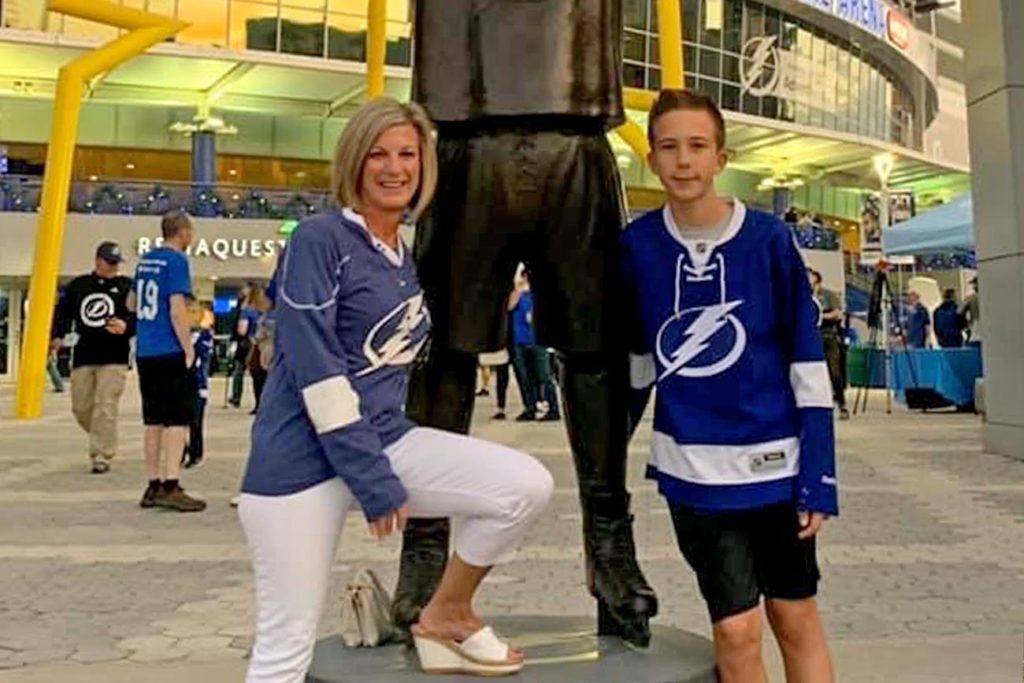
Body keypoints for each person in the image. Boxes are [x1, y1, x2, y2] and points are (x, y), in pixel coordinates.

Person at [237, 98, 553, 682]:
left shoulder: (400, 253)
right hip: (298, 467)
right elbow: (317, 369)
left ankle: (447, 613)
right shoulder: (319, 237)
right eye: (378, 154)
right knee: (285, 649)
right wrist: (373, 480)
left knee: (524, 487)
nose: (394, 167)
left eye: (407, 154)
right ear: (354, 163)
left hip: (384, 441)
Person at [397, 1, 657, 646]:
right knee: (446, 350)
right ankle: (424, 550)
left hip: (577, 127)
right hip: (465, 129)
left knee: (594, 347)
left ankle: (609, 544)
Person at [622, 90, 837, 683]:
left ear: (721, 157)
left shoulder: (768, 240)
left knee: (794, 617)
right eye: (668, 147)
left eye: (697, 146)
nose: (683, 161)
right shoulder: (636, 248)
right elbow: (638, 363)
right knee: (734, 631)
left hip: (777, 467)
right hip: (692, 473)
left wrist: (818, 474)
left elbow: (806, 361)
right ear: (651, 158)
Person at [130, 211, 206, 512]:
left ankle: (152, 483)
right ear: (183, 232)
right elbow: (177, 309)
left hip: (146, 350)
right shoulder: (177, 262)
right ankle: (172, 484)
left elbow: (132, 303)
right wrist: (188, 348)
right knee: (177, 420)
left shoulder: (145, 260)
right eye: (191, 232)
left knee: (153, 420)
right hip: (169, 348)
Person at [51, 241, 135, 474]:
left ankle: (102, 454)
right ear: (97, 260)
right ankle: (103, 435)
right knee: (81, 407)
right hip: (84, 355)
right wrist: (57, 336)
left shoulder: (126, 286)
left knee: (105, 405)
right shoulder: (80, 285)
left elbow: (139, 316)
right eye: (109, 262)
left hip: (115, 357)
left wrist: (127, 326)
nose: (113, 267)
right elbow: (63, 313)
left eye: (116, 263)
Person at [508, 271, 561, 423]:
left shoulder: (540, 295)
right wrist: (518, 290)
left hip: (538, 341)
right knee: (525, 377)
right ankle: (530, 408)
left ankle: (554, 409)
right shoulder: (517, 293)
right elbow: (509, 307)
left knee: (544, 375)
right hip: (520, 341)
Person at [809, 269, 849, 420]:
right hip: (811, 337)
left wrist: (820, 315)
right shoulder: (802, 296)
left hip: (828, 337)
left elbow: (838, 314)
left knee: (834, 372)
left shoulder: (828, 295)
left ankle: (842, 404)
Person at [182, 296, 214, 470]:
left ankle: (196, 453)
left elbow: (202, 354)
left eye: (194, 311)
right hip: (179, 381)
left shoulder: (205, 334)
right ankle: (180, 450)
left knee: (195, 420)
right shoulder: (177, 332)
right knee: (178, 420)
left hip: (197, 382)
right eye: (188, 311)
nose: (191, 315)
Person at [228, 283, 260, 408]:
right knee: (257, 374)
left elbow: (242, 330)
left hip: (245, 343)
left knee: (239, 370)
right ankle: (259, 401)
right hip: (257, 343)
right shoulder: (259, 310)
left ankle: (236, 397)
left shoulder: (246, 311)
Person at [245, 286, 274, 415]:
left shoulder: (269, 317)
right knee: (260, 379)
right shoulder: (264, 316)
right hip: (261, 349)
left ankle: (263, 404)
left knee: (263, 380)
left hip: (267, 349)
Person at [960, 277, 981, 344]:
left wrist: (966, 324)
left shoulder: (971, 298)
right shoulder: (991, 297)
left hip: (975, 328)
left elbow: (959, 312)